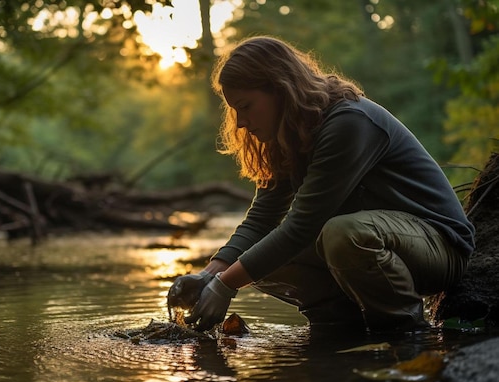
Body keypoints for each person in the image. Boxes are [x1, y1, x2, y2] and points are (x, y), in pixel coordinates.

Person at [167, 35, 475, 332]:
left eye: (245, 106)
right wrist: (209, 274)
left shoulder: (349, 122)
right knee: (258, 259)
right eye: (235, 111)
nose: (242, 122)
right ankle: (339, 328)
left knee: (341, 234)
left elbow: (302, 226)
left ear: (280, 89)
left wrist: (225, 284)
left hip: (439, 246)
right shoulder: (286, 135)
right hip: (378, 243)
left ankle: (405, 332)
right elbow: (261, 220)